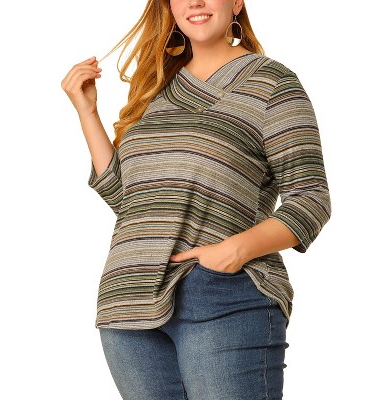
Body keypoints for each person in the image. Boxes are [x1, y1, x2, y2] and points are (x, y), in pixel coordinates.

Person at [61, 0, 331, 399]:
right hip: (129, 300)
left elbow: (310, 197)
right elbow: (127, 198)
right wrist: (88, 113)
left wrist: (233, 252)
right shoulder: (156, 88)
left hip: (222, 295)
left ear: (236, 2)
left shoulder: (272, 83)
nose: (196, 2)